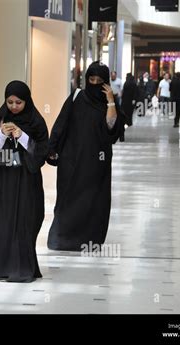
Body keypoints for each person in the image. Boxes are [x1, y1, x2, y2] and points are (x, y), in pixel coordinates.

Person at [47, 61, 125, 251]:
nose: (95, 83)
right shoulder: (77, 97)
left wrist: (111, 100)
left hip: (97, 163)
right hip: (71, 160)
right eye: (92, 79)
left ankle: (89, 240)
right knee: (68, 199)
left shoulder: (109, 102)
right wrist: (51, 148)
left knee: (93, 202)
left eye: (100, 81)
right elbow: (61, 123)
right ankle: (61, 239)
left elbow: (111, 127)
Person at [0, 81, 48, 282]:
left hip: (27, 181)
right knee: (2, 223)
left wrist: (23, 137)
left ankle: (24, 269)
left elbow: (42, 153)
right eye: (9, 102)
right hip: (4, 180)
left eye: (18, 102)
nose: (13, 106)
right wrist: (1, 135)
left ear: (26, 101)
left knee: (25, 222)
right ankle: (3, 269)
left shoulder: (36, 121)